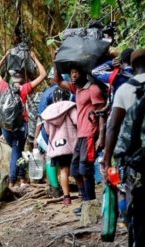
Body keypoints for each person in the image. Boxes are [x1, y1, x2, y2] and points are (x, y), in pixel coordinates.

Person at [103, 49, 145, 247]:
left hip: (138, 160)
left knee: (140, 207)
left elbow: (113, 126)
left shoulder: (125, 90)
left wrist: (107, 159)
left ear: (132, 67)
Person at [54, 64, 106, 215]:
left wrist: (101, 137)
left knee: (85, 170)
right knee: (75, 169)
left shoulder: (93, 89)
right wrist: (56, 62)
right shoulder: (77, 89)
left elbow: (101, 113)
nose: (73, 75)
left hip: (90, 133)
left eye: (76, 72)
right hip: (80, 134)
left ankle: (91, 205)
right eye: (71, 72)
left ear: (83, 73)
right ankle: (85, 203)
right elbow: (57, 80)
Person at [0, 50, 46, 188]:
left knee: (17, 150)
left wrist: (5, 56)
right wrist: (34, 58)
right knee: (18, 150)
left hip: (6, 127)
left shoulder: (4, 87)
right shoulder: (24, 89)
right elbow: (43, 75)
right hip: (20, 125)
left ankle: (21, 177)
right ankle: (13, 180)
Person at [41, 88, 76, 205]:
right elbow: (77, 121)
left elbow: (46, 130)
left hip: (58, 146)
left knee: (63, 170)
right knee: (76, 169)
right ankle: (83, 192)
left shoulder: (48, 112)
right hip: (72, 143)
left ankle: (66, 197)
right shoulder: (70, 107)